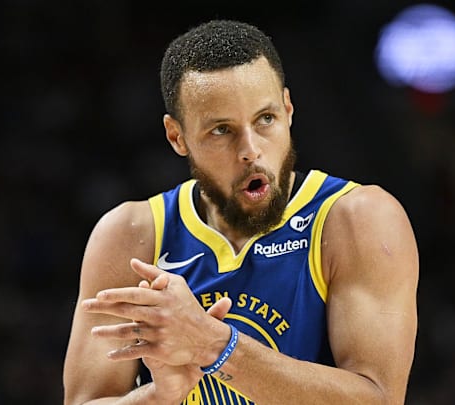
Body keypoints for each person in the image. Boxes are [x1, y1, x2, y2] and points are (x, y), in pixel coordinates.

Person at [63, 19, 419, 405]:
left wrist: (213, 345)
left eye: (265, 119)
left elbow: (379, 398)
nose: (250, 149)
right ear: (177, 137)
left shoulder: (357, 219)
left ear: (288, 109)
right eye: (221, 130)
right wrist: (158, 395)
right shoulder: (131, 234)